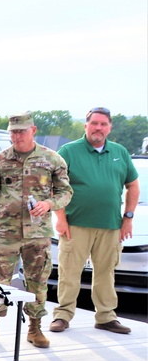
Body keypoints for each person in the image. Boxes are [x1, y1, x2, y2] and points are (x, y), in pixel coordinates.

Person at [0, 112, 72, 348]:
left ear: (33, 130)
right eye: (13, 131)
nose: (17, 136)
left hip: (37, 234)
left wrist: (49, 204)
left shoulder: (52, 159)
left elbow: (65, 192)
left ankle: (35, 328)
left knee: (38, 282)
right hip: (4, 233)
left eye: (21, 131)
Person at [50, 107, 139, 335]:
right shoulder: (69, 151)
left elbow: (133, 186)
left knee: (106, 273)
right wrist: (60, 218)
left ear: (109, 127)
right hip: (75, 224)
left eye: (103, 124)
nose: (98, 128)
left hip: (110, 226)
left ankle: (106, 317)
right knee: (69, 273)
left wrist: (128, 218)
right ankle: (63, 315)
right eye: (94, 123)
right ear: (86, 125)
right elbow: (54, 186)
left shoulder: (120, 152)